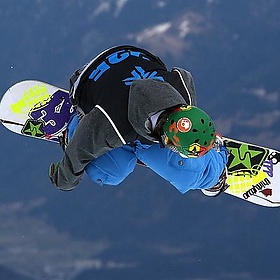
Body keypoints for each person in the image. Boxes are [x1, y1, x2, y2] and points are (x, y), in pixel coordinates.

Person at [49, 45, 228, 196]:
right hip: (86, 81)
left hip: (131, 57)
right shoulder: (111, 122)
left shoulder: (183, 92)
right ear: (168, 140)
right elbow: (80, 149)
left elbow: (184, 75)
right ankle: (73, 127)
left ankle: (140, 148)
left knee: (171, 162)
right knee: (111, 172)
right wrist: (64, 181)